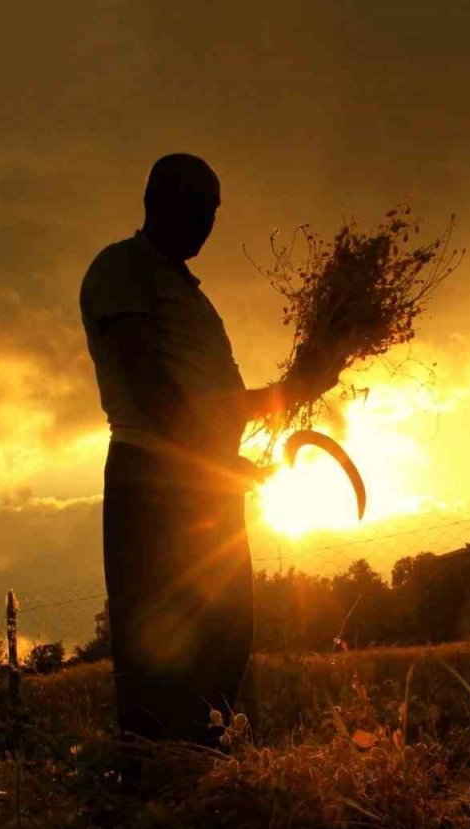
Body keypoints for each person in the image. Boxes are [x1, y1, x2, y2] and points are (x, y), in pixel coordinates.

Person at [79, 153, 323, 743]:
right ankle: (157, 790)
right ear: (157, 200)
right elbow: (152, 388)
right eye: (199, 206)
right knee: (161, 646)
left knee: (227, 633)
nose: (209, 222)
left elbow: (221, 403)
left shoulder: (189, 294)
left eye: (215, 211)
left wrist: (302, 386)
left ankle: (206, 771)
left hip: (206, 487)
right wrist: (214, 459)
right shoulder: (122, 269)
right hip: (155, 480)